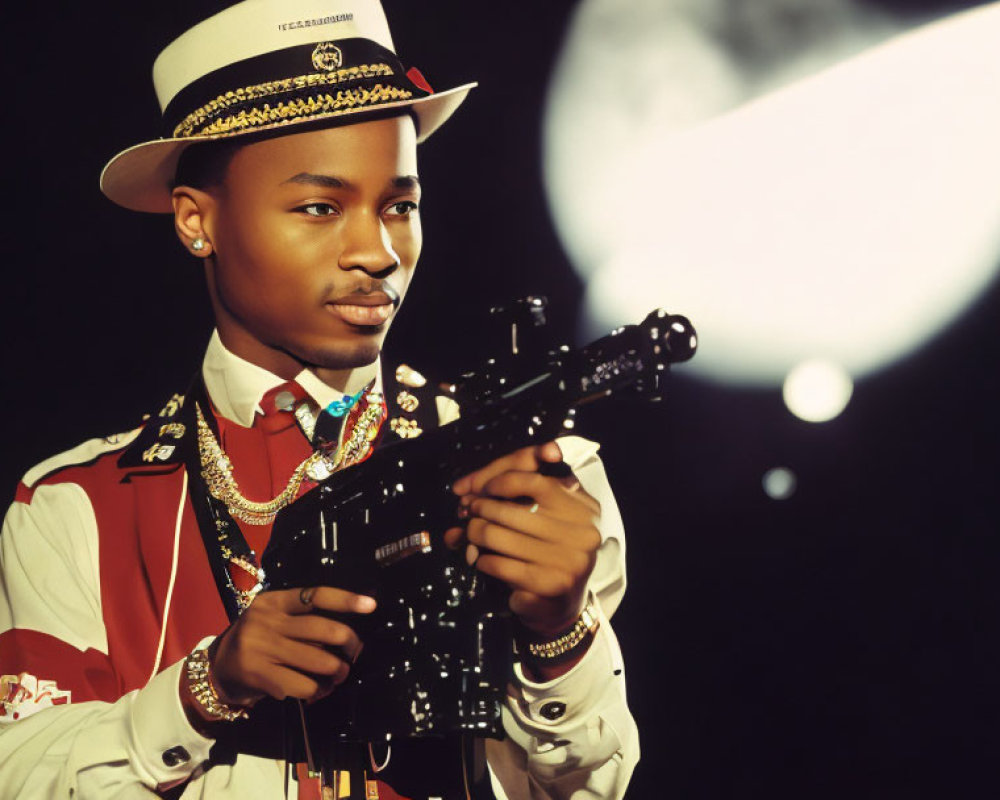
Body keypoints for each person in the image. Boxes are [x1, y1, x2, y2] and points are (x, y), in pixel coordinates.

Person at [0, 1, 638, 797]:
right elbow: (19, 774)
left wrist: (560, 637)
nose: (378, 252)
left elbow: (585, 786)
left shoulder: (529, 472)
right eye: (319, 207)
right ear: (197, 221)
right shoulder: (74, 507)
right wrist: (207, 690)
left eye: (399, 205)